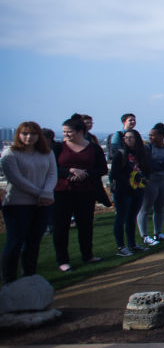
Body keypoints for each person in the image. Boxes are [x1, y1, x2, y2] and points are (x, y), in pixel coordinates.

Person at [1, 121, 56, 282]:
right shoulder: (10, 153)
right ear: (18, 135)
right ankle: (9, 280)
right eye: (24, 133)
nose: (29, 137)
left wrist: (46, 193)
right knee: (15, 243)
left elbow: (52, 174)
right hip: (18, 204)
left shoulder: (46, 153)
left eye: (33, 134)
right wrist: (41, 194)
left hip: (42, 204)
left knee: (33, 243)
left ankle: (29, 276)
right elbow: (16, 179)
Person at [51, 115, 108, 271]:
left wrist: (86, 174)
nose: (66, 135)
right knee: (61, 227)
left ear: (80, 131)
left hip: (86, 191)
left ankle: (87, 255)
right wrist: (70, 171)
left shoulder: (94, 148)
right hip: (63, 191)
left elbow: (102, 168)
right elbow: (52, 168)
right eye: (64, 132)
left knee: (85, 225)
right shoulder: (58, 147)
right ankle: (62, 260)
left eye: (69, 132)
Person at [109, 129, 149, 256]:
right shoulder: (120, 154)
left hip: (137, 191)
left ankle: (132, 244)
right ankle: (121, 246)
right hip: (123, 191)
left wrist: (143, 181)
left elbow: (147, 170)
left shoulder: (141, 154)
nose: (128, 139)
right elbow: (113, 174)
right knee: (121, 218)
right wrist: (129, 181)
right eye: (126, 137)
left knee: (131, 218)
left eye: (131, 137)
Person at [137, 123, 164, 247]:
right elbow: (149, 165)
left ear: (162, 136)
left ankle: (158, 233)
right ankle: (144, 236)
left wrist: (161, 163)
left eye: (153, 135)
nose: (150, 138)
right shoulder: (148, 149)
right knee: (145, 208)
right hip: (152, 181)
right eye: (149, 135)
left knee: (160, 208)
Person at [79, 114, 112, 208]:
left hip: (93, 172)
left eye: (90, 122)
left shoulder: (91, 137)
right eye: (86, 122)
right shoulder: (79, 137)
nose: (89, 124)